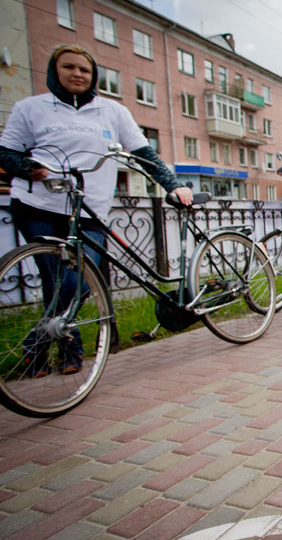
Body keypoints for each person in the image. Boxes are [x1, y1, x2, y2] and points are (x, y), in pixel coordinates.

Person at [0, 44, 191, 377]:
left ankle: (36, 345)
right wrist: (28, 168)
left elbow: (144, 154)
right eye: (68, 67)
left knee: (77, 283)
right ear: (54, 71)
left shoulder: (112, 111)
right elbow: (6, 153)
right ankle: (68, 349)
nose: (77, 74)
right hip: (39, 206)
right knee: (55, 279)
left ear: (94, 75)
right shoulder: (30, 108)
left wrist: (172, 185)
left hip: (89, 209)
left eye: (84, 69)